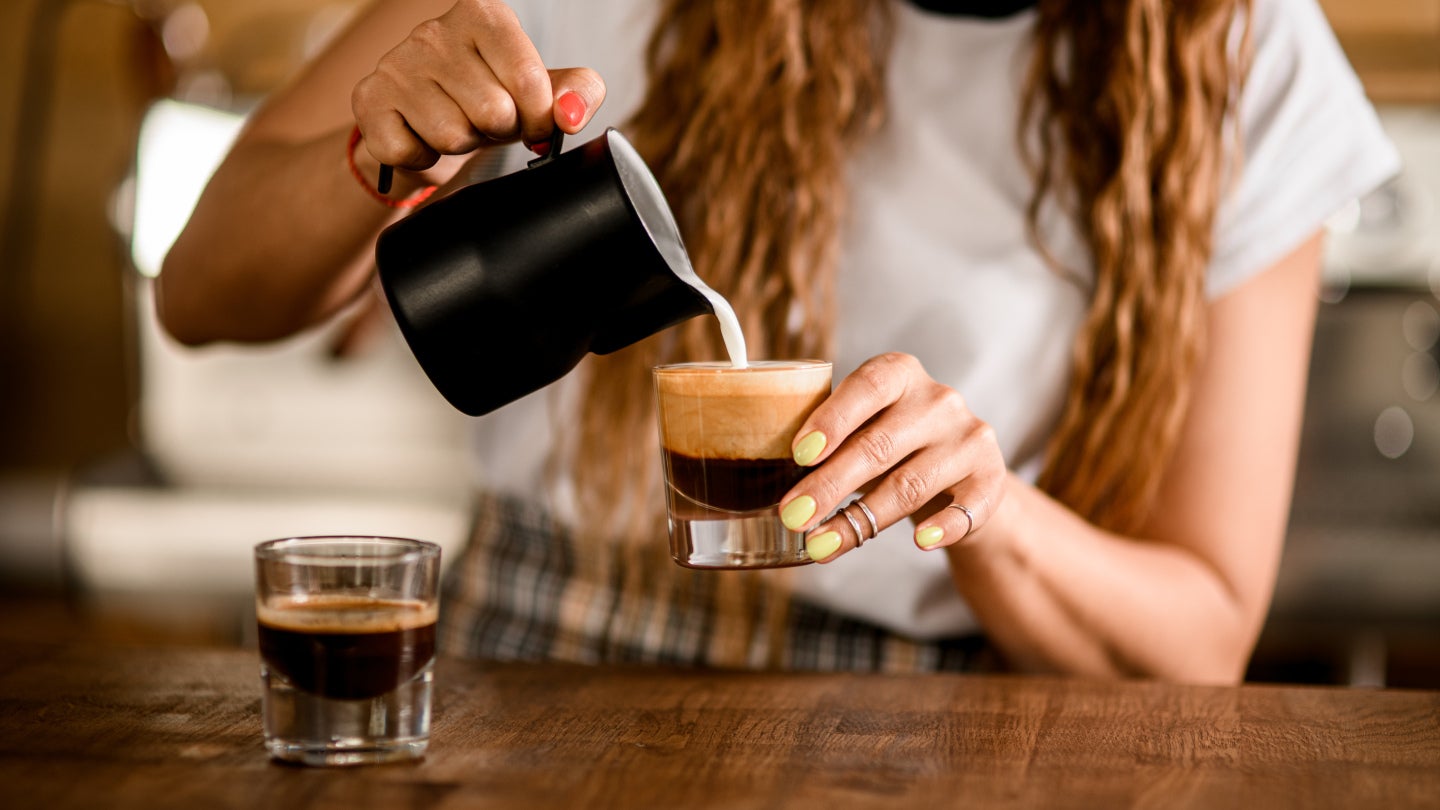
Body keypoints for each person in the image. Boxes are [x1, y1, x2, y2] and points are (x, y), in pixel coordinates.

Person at [157, 0, 1397, 682]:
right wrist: (381, 153)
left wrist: (988, 511)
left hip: (917, 712)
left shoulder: (1248, 56)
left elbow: (1200, 640)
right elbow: (200, 294)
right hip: (543, 646)